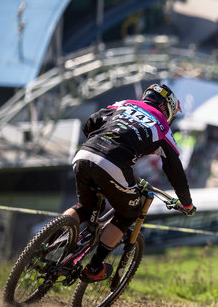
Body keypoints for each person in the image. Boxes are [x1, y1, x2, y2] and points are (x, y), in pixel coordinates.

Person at [64, 83, 196, 283]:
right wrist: (186, 203)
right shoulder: (162, 126)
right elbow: (175, 171)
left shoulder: (124, 104)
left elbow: (90, 123)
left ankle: (50, 242)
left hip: (84, 154)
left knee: (84, 208)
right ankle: (93, 267)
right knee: (128, 213)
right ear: (166, 108)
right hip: (113, 164)